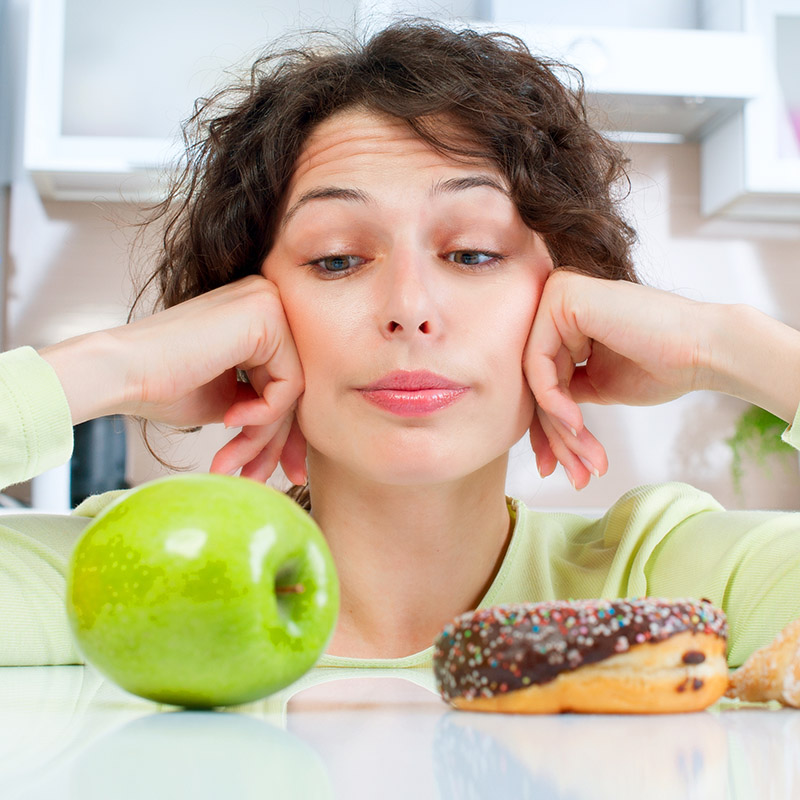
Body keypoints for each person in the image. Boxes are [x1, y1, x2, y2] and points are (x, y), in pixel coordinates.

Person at [2, 20, 799, 670]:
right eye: (337, 259)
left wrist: (721, 343)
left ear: (570, 305)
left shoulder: (664, 576)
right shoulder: (148, 574)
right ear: (245, 314)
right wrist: (109, 367)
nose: (410, 310)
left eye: (473, 253)